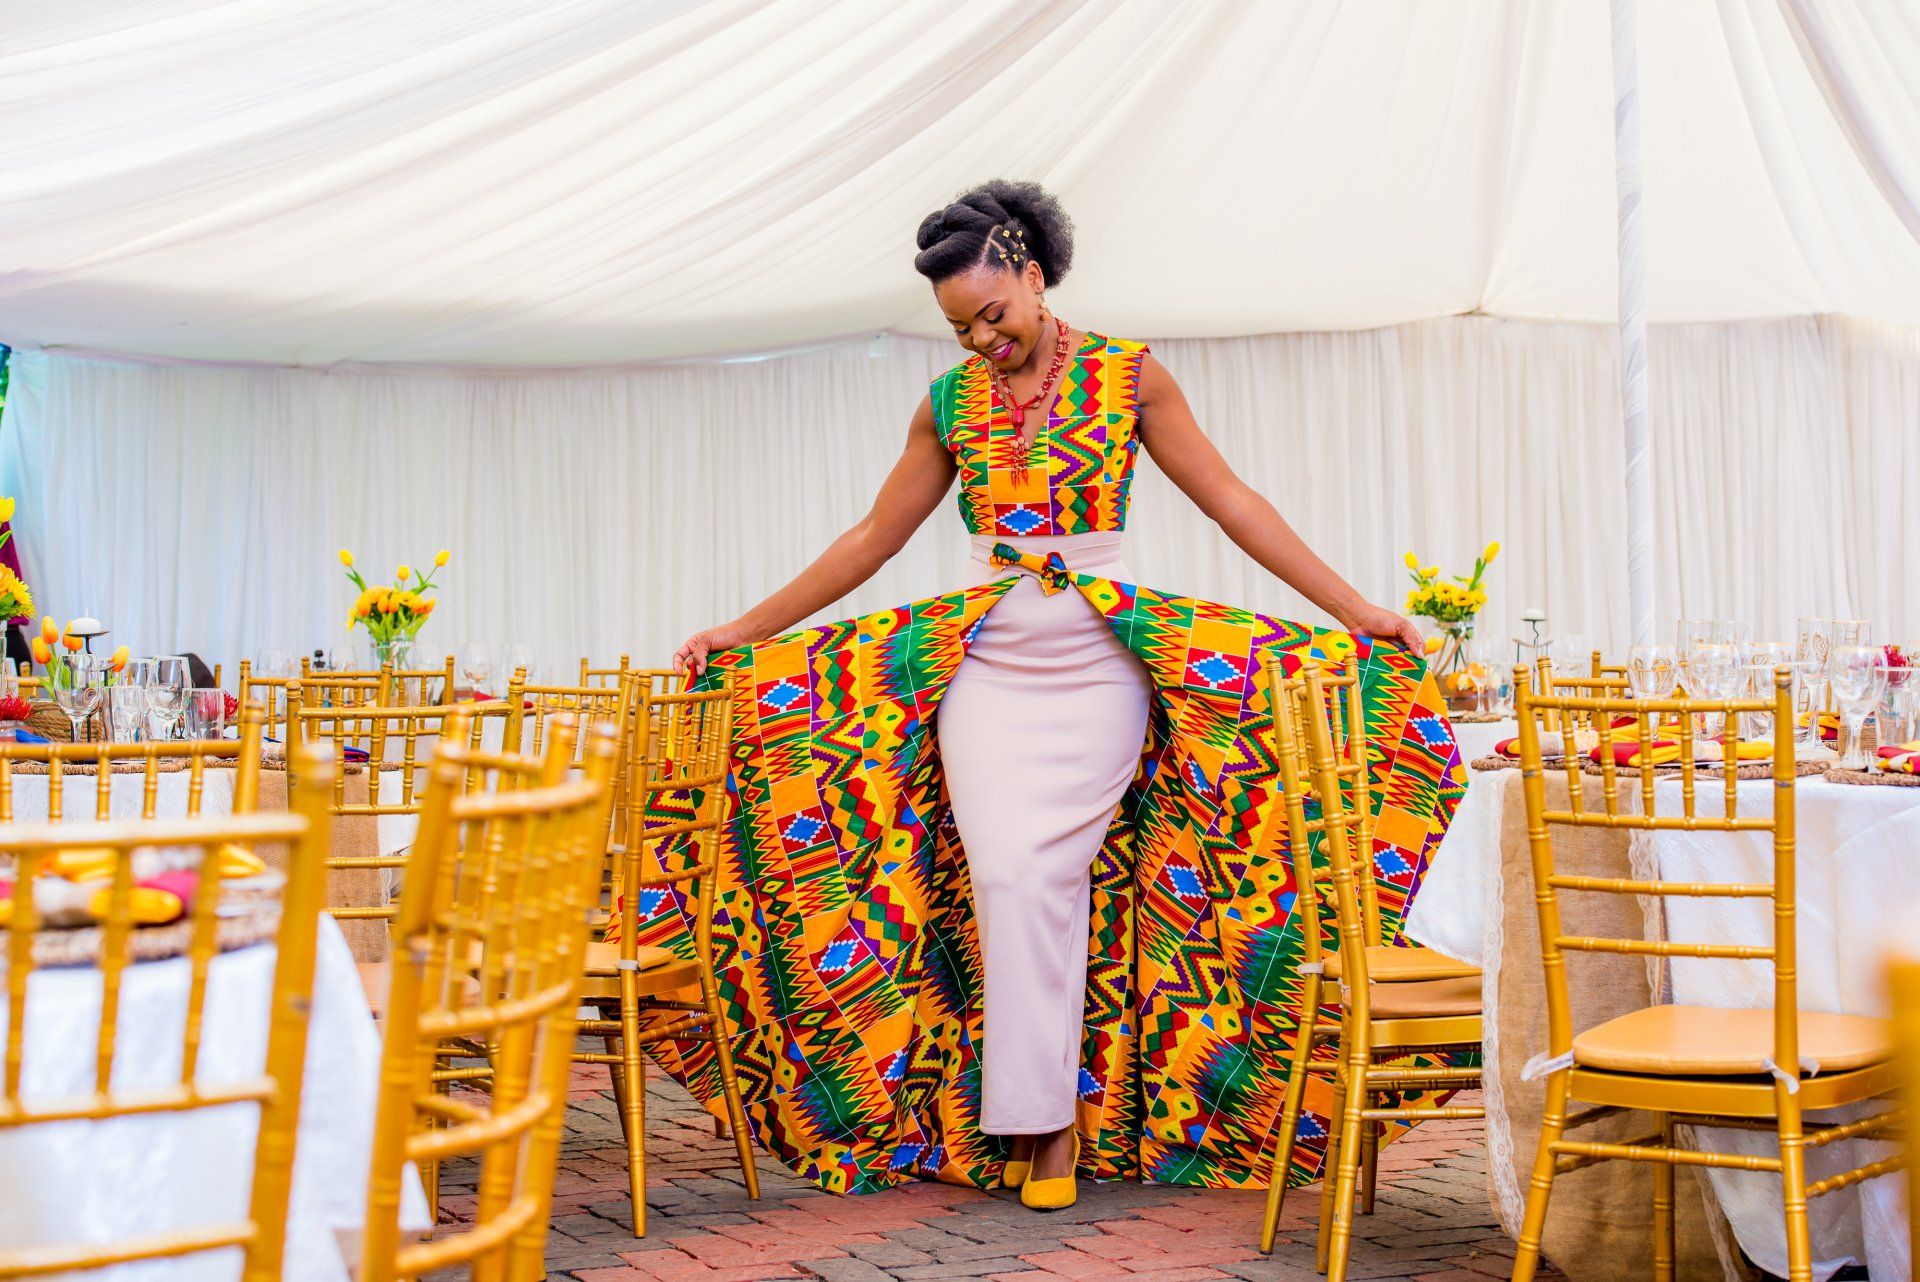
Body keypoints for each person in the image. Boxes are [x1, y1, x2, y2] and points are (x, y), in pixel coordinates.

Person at [658, 181, 1457, 1209]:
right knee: (1005, 875)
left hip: (1100, 660)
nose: (979, 340)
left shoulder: (1130, 375)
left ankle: (1048, 1136)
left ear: (1033, 275)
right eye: (958, 329)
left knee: (1054, 873)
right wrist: (744, 630)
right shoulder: (947, 406)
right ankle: (1033, 1114)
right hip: (986, 666)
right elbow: (872, 538)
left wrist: (1358, 611)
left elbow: (1231, 501)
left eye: (991, 313)